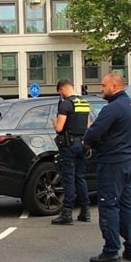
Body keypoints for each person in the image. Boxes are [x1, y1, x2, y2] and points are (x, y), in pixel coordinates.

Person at [82, 73, 131, 262]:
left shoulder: (112, 108)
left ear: (115, 87)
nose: (101, 89)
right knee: (126, 203)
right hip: (129, 160)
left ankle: (111, 250)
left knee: (109, 204)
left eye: (103, 85)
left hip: (112, 161)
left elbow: (94, 133)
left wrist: (89, 141)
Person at [50, 79, 91, 225]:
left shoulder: (66, 104)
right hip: (81, 144)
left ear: (62, 89)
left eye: (59, 93)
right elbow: (88, 125)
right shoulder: (84, 103)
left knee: (68, 178)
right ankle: (85, 211)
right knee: (80, 177)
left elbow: (59, 128)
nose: (60, 95)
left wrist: (54, 122)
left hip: (68, 145)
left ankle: (67, 213)